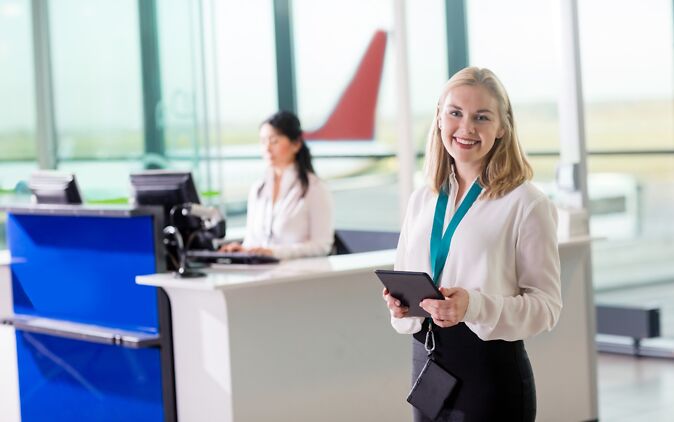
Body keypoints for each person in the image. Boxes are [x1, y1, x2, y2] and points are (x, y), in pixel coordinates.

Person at [383, 67, 562, 421]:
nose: (466, 128)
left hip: (488, 374)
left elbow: (547, 307)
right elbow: (407, 277)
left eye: (482, 117)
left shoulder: (526, 203)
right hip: (427, 364)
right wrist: (400, 306)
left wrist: (474, 307)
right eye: (455, 113)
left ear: (502, 128)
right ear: (438, 118)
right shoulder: (422, 199)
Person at [221, 110, 334, 260]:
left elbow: (322, 246)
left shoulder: (314, 188)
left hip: (298, 276)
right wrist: (243, 249)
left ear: (296, 144)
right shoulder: (258, 189)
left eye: (274, 141)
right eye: (263, 141)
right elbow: (253, 241)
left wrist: (274, 253)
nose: (267, 148)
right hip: (261, 275)